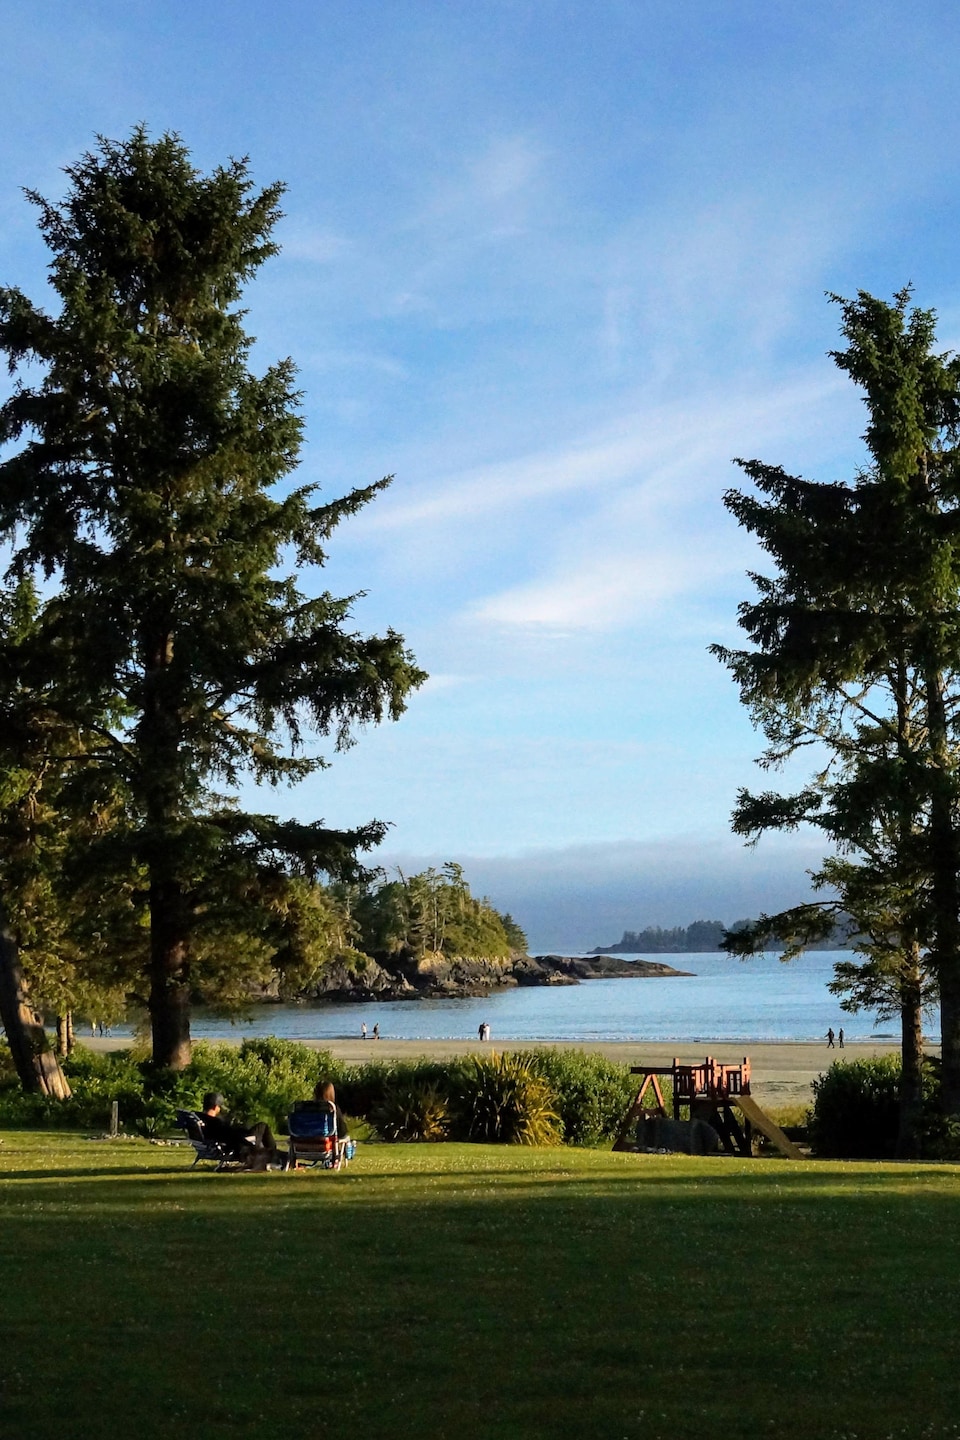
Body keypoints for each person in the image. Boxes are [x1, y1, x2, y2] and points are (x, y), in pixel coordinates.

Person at [199, 1091, 282, 1170]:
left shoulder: (201, 1119)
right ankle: (273, 1156)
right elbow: (231, 1135)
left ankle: (273, 1155)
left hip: (219, 1144)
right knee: (263, 1126)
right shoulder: (215, 1122)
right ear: (216, 1107)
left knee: (255, 1128)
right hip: (240, 1144)